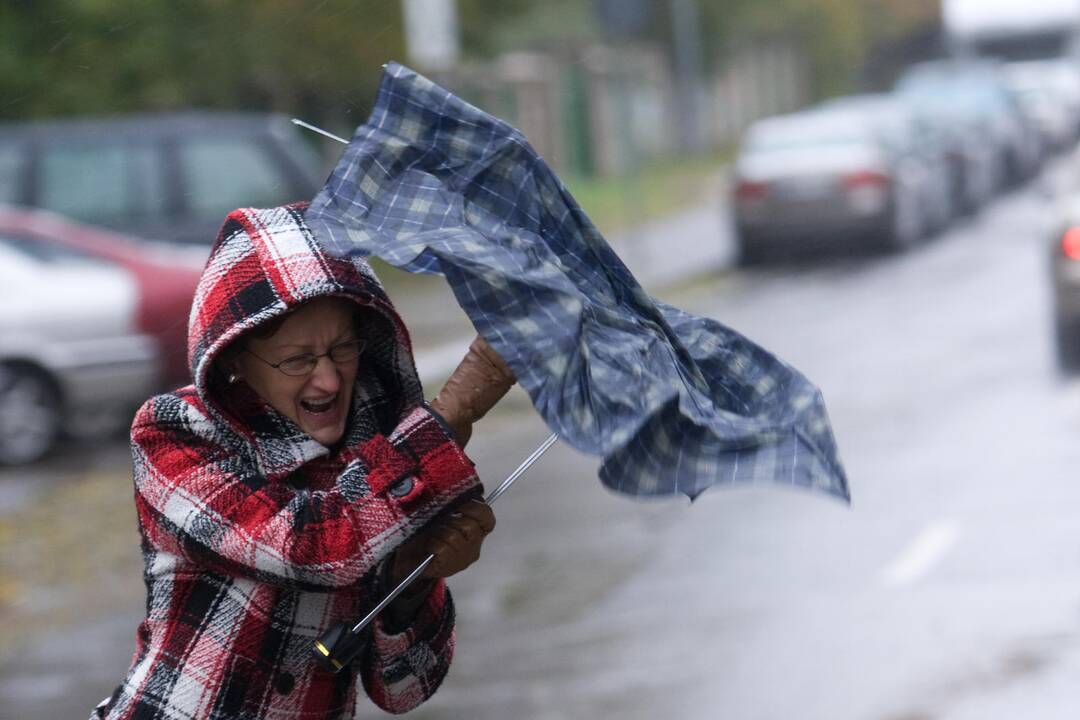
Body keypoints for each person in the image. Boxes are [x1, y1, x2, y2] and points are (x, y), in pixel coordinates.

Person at [91, 202, 517, 719]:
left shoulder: (380, 454)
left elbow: (405, 690)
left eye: (343, 349)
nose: (330, 380)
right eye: (297, 360)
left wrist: (413, 578)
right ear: (235, 360)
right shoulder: (175, 433)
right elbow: (311, 547)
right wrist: (456, 411)